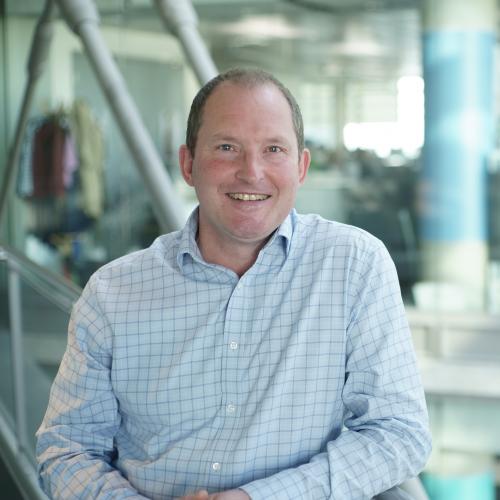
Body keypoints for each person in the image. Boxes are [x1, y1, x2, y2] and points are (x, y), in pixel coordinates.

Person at [36, 68, 431, 500]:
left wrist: (260, 498)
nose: (251, 172)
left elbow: (399, 433)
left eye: (273, 149)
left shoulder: (354, 265)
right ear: (188, 164)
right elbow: (67, 449)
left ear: (301, 167)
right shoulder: (112, 293)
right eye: (227, 147)